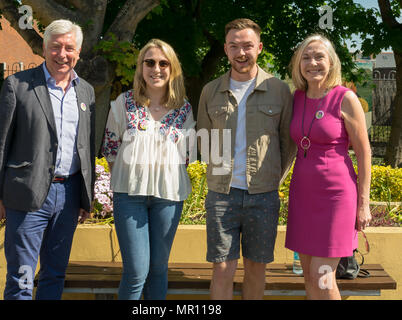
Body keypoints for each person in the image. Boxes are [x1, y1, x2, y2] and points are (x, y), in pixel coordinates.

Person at [0, 19, 96, 300]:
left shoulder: (85, 91)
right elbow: (0, 145)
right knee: (22, 278)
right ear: (45, 48)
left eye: (69, 48)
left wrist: (86, 197)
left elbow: (86, 148)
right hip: (27, 194)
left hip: (70, 193)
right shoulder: (18, 85)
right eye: (56, 47)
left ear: (79, 51)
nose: (62, 54)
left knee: (54, 274)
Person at [197, 18, 296, 300]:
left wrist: (271, 180)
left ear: (260, 48)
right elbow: (204, 137)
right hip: (221, 194)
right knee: (222, 268)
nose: (242, 53)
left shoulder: (279, 90)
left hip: (263, 196)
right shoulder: (210, 91)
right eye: (234, 46)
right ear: (226, 50)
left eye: (248, 46)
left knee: (256, 268)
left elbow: (287, 145)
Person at [101, 39, 196, 300]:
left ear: (172, 68)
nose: (157, 68)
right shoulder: (123, 103)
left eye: (164, 63)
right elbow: (111, 150)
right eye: (150, 62)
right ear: (141, 67)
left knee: (158, 269)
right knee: (136, 271)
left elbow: (186, 156)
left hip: (168, 198)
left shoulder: (184, 109)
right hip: (129, 197)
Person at [285, 34, 372, 300]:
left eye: (319, 56)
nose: (313, 63)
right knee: (309, 276)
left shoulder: (345, 98)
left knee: (323, 276)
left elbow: (364, 152)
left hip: (336, 198)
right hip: (303, 196)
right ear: (299, 64)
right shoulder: (296, 97)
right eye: (306, 57)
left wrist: (364, 203)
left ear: (331, 62)